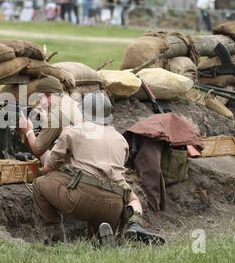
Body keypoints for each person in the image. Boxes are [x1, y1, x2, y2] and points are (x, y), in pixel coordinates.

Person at [31, 92, 166, 246]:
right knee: (131, 198)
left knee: (41, 183)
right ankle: (123, 230)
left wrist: (34, 132)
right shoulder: (120, 139)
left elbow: (48, 166)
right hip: (114, 205)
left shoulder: (73, 131)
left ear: (83, 112)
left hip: (83, 199)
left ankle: (56, 241)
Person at [19, 76, 83, 166]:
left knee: (44, 160)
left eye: (48, 95)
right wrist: (45, 121)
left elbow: (37, 150)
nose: (44, 102)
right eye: (40, 98)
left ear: (58, 93)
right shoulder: (71, 103)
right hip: (82, 158)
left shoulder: (54, 116)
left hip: (73, 165)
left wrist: (28, 130)